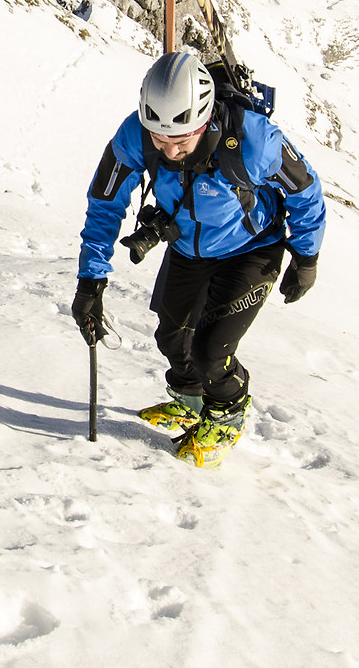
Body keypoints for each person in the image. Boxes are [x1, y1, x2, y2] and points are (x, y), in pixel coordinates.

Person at [72, 51, 326, 467]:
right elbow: (104, 204)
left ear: (205, 121)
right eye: (159, 140)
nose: (169, 152)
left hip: (251, 249)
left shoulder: (254, 141)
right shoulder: (135, 135)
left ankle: (226, 414)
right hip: (187, 246)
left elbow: (305, 192)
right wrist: (90, 281)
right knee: (171, 338)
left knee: (211, 351)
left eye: (180, 141)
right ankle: (190, 399)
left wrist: (306, 256)